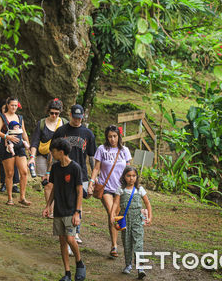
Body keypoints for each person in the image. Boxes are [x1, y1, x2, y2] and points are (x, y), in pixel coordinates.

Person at [51, 104, 96, 244]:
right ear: (70, 115)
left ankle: (76, 231)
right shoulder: (61, 130)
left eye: (80, 118)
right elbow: (52, 152)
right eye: (75, 117)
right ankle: (66, 230)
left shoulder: (88, 133)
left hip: (81, 172)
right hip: (63, 170)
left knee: (79, 200)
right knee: (65, 199)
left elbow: (91, 156)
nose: (77, 120)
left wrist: (93, 178)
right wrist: (49, 170)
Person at [42, 139, 86, 281]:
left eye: (53, 151)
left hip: (71, 210)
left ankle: (79, 263)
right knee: (62, 241)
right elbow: (54, 188)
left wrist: (77, 212)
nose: (52, 154)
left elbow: (80, 191)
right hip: (59, 210)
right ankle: (67, 273)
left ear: (61, 152)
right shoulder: (55, 168)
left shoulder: (75, 168)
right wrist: (48, 205)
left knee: (70, 239)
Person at [87, 125, 132, 258]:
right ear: (107, 137)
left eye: (115, 136)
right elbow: (96, 168)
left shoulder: (124, 150)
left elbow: (129, 170)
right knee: (112, 211)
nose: (112, 139)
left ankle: (117, 242)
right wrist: (91, 182)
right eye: (110, 136)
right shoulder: (102, 149)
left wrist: (131, 186)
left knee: (116, 214)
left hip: (120, 189)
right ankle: (114, 245)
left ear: (119, 137)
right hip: (105, 187)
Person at [111, 166, 153, 279]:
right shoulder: (120, 189)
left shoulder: (140, 190)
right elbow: (115, 204)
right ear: (124, 177)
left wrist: (149, 217)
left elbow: (148, 204)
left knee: (138, 243)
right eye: (128, 176)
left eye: (134, 176)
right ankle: (128, 264)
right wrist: (112, 215)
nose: (131, 178)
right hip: (125, 220)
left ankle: (140, 268)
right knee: (127, 242)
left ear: (137, 177)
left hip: (137, 221)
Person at [28, 98, 69, 213]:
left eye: (57, 113)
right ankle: (50, 210)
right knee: (47, 184)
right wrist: (32, 157)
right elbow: (35, 142)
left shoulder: (64, 123)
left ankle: (56, 208)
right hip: (43, 156)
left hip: (58, 158)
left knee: (58, 184)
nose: (54, 115)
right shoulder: (41, 124)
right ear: (48, 112)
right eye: (52, 113)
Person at [0, 97, 31, 206]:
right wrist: (7, 137)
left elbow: (24, 132)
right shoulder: (2, 117)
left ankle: (22, 197)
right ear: (7, 105)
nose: (14, 107)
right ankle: (10, 198)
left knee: (24, 171)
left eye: (16, 105)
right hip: (7, 146)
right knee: (10, 173)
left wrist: (28, 145)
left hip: (19, 146)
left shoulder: (20, 117)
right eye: (12, 105)